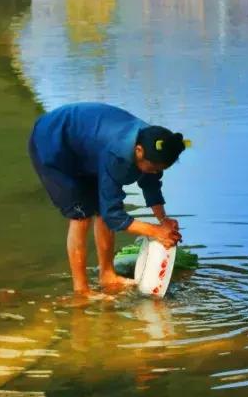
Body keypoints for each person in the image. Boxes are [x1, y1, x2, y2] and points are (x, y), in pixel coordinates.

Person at [28, 102, 187, 295]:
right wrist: (155, 231)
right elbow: (114, 216)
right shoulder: (118, 154)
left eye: (160, 170)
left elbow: (150, 184)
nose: (155, 173)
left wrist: (164, 220)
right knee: (81, 215)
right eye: (153, 168)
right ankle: (81, 290)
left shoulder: (155, 141)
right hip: (53, 144)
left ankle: (107, 275)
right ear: (138, 151)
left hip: (88, 147)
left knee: (101, 209)